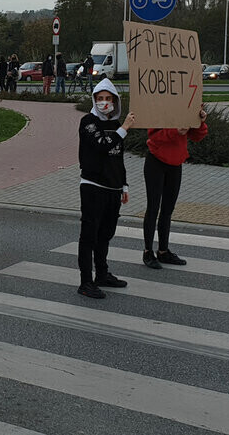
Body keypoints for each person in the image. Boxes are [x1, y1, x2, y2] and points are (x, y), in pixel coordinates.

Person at [77, 78, 135, 299]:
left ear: (115, 101)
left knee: (105, 234)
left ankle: (102, 274)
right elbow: (102, 146)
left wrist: (124, 185)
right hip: (93, 186)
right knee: (89, 236)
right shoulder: (88, 122)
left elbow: (118, 158)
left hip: (113, 188)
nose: (104, 102)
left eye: (108, 98)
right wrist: (124, 129)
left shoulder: (116, 124)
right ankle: (85, 282)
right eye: (100, 98)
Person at [142, 106, 208, 270]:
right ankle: (148, 251)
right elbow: (154, 136)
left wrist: (200, 122)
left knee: (168, 209)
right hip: (155, 161)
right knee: (153, 207)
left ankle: (163, 251)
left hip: (175, 164)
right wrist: (175, 131)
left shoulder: (187, 107)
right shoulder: (161, 107)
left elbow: (197, 137)